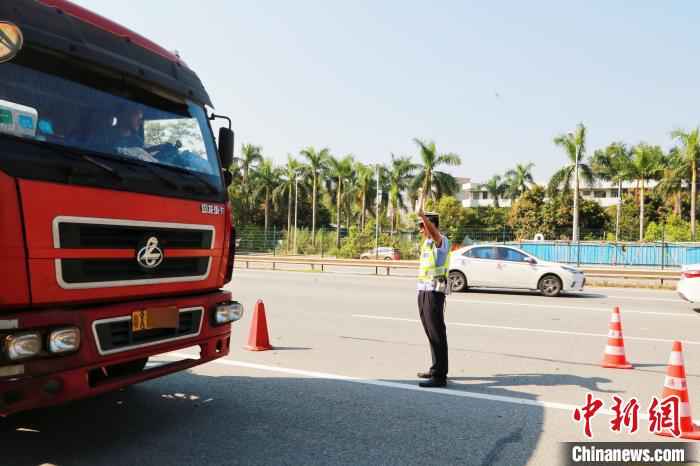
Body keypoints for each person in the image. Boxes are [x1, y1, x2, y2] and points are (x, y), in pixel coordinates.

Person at [416, 211, 450, 388]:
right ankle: (435, 367)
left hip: (434, 292)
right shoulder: (427, 243)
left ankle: (440, 376)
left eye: (422, 225)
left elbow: (434, 233)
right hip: (424, 291)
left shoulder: (441, 241)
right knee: (431, 333)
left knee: (437, 333)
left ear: (431, 225)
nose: (420, 229)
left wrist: (423, 216)